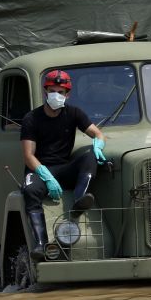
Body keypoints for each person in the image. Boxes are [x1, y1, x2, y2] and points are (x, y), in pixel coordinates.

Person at [21, 70, 107, 261]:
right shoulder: (31, 119)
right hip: (39, 169)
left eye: (61, 92)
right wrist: (46, 175)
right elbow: (28, 155)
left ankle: (80, 199)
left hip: (64, 167)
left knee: (90, 156)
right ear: (45, 92)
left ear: (67, 94)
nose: (56, 95)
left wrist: (98, 145)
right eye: (52, 90)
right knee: (30, 190)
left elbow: (98, 134)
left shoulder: (74, 113)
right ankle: (41, 244)